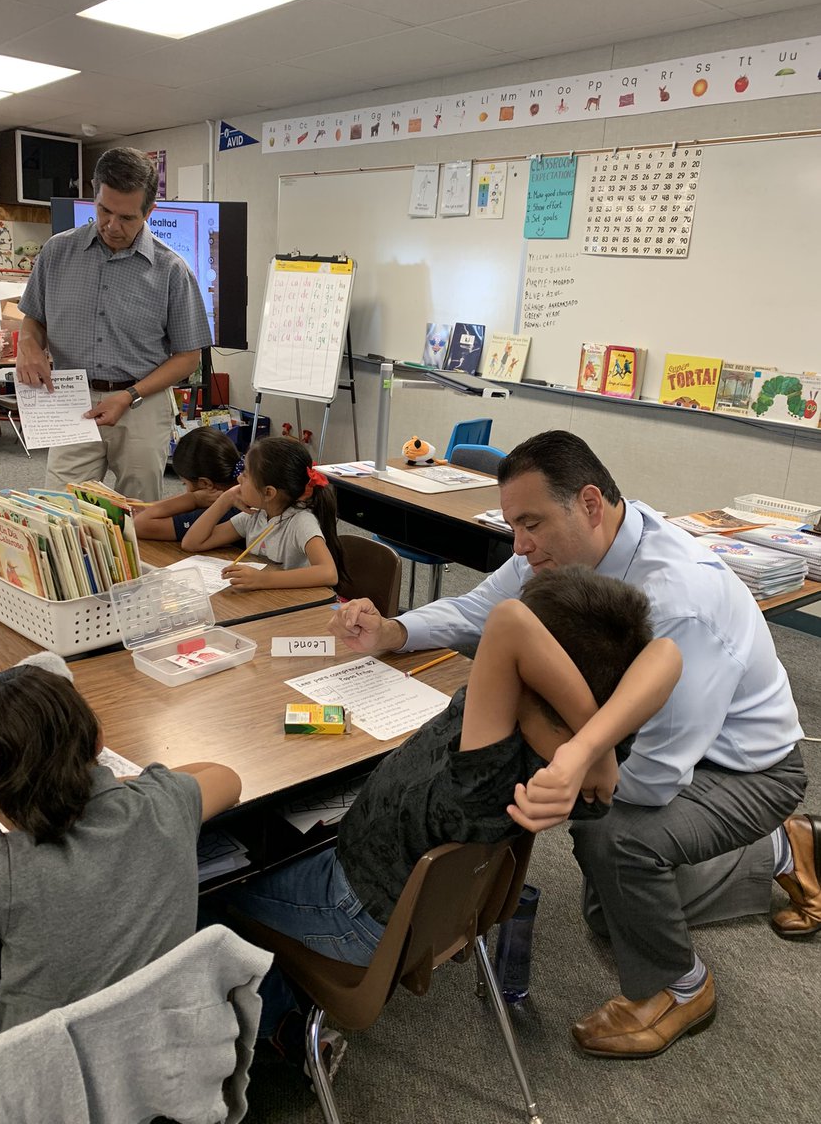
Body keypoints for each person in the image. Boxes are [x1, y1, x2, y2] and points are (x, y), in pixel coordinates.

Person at [329, 429, 814, 1057]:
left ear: (589, 503)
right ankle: (782, 849)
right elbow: (487, 611)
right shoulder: (571, 548)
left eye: (530, 524)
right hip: (654, 744)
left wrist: (568, 765)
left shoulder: (678, 603)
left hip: (743, 766)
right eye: (514, 527)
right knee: (605, 910)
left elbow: (658, 776)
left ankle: (680, 986)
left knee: (612, 838)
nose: (520, 546)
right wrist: (395, 630)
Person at [219, 566, 681, 1047]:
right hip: (417, 903)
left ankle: (282, 1026)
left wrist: (585, 749)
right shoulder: (608, 732)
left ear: (523, 676)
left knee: (204, 889)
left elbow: (509, 621)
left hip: (353, 906)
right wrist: (593, 750)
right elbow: (666, 655)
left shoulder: (487, 764)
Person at [0, 659, 241, 1110]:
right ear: (98, 741)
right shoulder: (164, 802)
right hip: (155, 1077)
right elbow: (225, 776)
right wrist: (121, 787)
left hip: (36, 1105)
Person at [15, 147, 213, 502]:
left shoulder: (171, 271)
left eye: (127, 217)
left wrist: (129, 395)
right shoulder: (58, 252)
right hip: (72, 399)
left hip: (141, 400)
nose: (112, 226)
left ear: (149, 212)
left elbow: (187, 357)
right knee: (59, 507)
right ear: (95, 195)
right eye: (104, 210)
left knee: (139, 514)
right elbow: (34, 318)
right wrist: (28, 346)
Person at [182, 436, 343, 591]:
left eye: (245, 475)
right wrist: (226, 499)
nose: (239, 479)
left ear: (268, 493)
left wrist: (262, 579)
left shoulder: (301, 521)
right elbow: (192, 543)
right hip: (266, 601)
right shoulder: (256, 515)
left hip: (297, 607)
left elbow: (328, 573)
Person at [133, 427, 242, 542]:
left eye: (185, 484)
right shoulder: (234, 487)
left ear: (205, 483)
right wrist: (148, 506)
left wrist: (193, 499)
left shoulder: (226, 510)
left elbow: (140, 525)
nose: (186, 491)